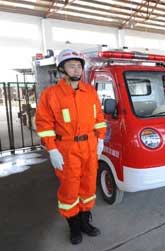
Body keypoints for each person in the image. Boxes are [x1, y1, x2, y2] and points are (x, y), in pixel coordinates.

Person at [35, 49, 107, 245]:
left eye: (78, 65)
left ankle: (85, 221)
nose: (76, 69)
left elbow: (99, 118)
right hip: (66, 150)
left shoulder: (90, 91)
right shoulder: (51, 94)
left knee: (88, 186)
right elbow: (44, 123)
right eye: (71, 65)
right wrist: (52, 149)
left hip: (90, 147)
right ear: (62, 69)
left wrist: (100, 139)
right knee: (69, 189)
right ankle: (74, 227)